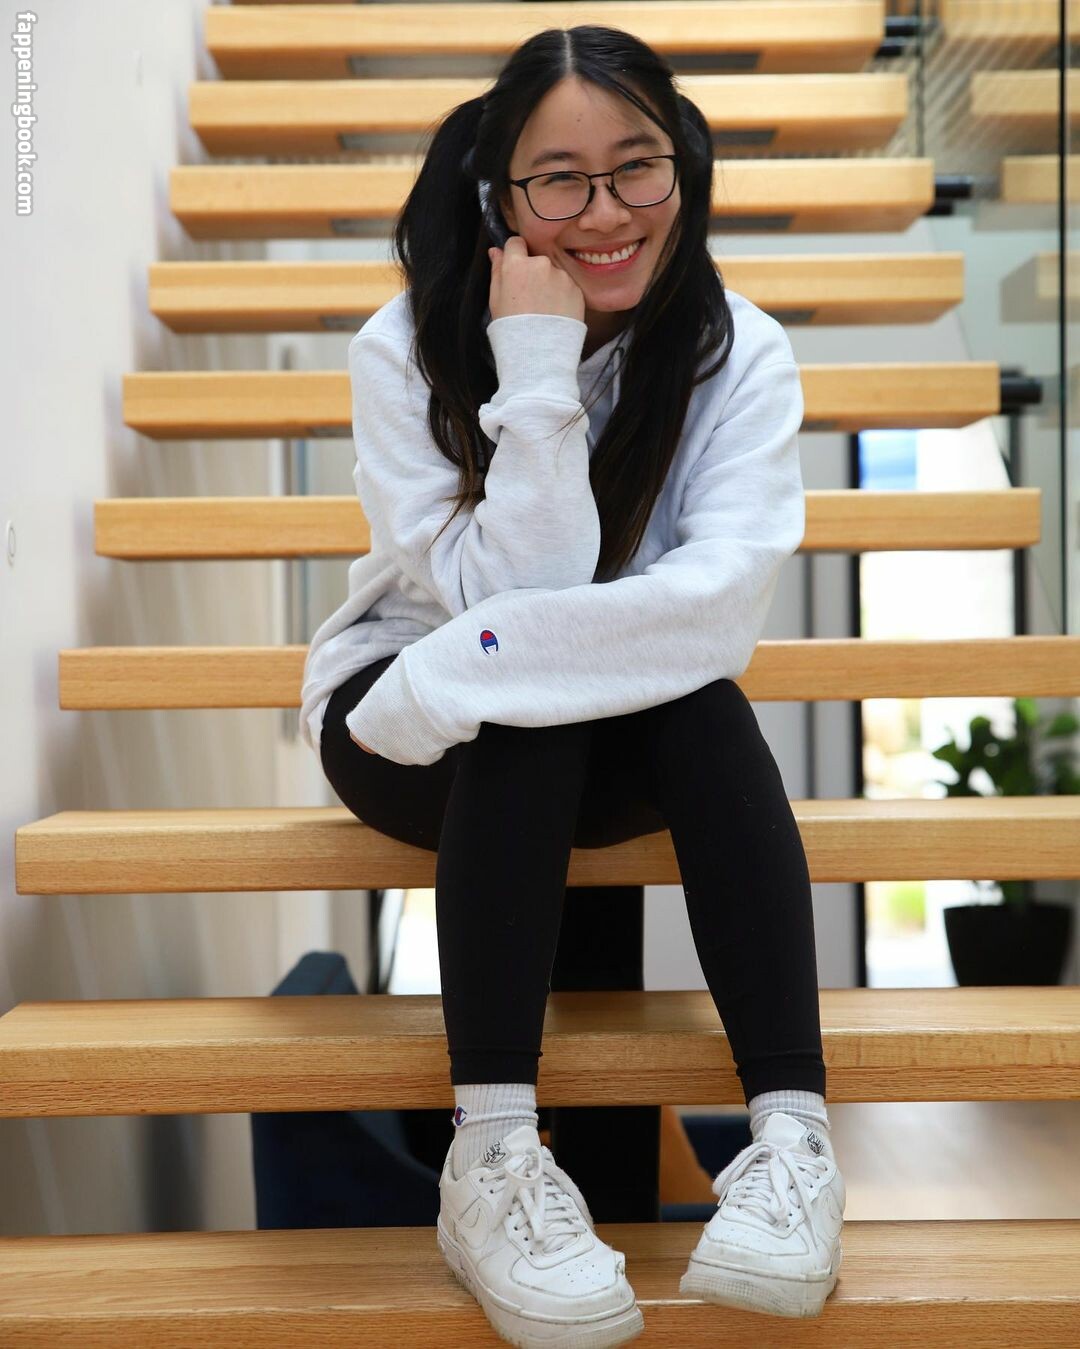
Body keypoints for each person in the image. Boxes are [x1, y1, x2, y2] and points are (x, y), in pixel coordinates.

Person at [300, 23, 845, 1346]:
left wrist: (464, 666)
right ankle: (490, 1151)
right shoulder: (404, 348)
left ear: (683, 166)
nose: (604, 214)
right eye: (560, 179)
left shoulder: (739, 352)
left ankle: (793, 1148)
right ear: (500, 194)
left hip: (494, 691)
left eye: (636, 167)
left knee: (688, 699)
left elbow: (715, 611)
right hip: (402, 723)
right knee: (532, 715)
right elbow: (512, 588)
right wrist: (536, 366)